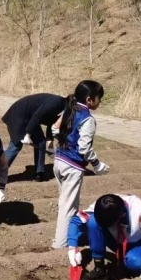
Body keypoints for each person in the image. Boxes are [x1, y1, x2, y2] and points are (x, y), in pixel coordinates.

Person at [66, 194, 141, 280]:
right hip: (116, 240)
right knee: (93, 222)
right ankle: (100, 268)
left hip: (140, 243)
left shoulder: (140, 212)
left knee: (135, 262)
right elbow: (76, 221)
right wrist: (72, 246)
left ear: (122, 215)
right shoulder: (102, 205)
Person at [52, 80, 107, 250]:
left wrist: (65, 141)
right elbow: (84, 148)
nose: (100, 102)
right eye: (99, 99)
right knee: (68, 207)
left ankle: (71, 235)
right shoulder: (87, 119)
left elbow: (55, 130)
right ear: (90, 99)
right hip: (72, 166)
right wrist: (97, 165)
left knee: (66, 202)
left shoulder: (69, 109)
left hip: (59, 161)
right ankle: (60, 245)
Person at [1, 93, 66, 182]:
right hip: (20, 115)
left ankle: (40, 173)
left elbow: (51, 125)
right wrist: (28, 134)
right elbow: (37, 115)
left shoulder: (60, 107)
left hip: (27, 117)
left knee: (40, 141)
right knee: (16, 145)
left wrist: (50, 148)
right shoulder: (56, 103)